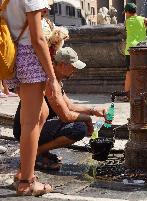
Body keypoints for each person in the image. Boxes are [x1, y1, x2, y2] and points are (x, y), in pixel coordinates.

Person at [13, 47, 107, 171]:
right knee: (79, 129)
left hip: (34, 125)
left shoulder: (55, 80)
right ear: (62, 65)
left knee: (77, 124)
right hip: (26, 129)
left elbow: (69, 106)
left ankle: (40, 151)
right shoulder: (49, 82)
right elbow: (65, 116)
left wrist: (93, 110)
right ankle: (35, 152)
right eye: (73, 67)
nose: (75, 71)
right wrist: (88, 120)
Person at [3, 0, 61, 196]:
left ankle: (23, 171)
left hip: (11, 55)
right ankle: (27, 182)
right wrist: (52, 77)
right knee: (31, 120)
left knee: (41, 112)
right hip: (29, 55)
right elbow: (38, 39)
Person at [123, 3, 147, 94]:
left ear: (127, 12)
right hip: (142, 49)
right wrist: (146, 23)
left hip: (130, 50)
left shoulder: (126, 22)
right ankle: (144, 92)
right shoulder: (143, 20)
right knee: (144, 72)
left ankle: (127, 94)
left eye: (125, 13)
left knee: (129, 72)